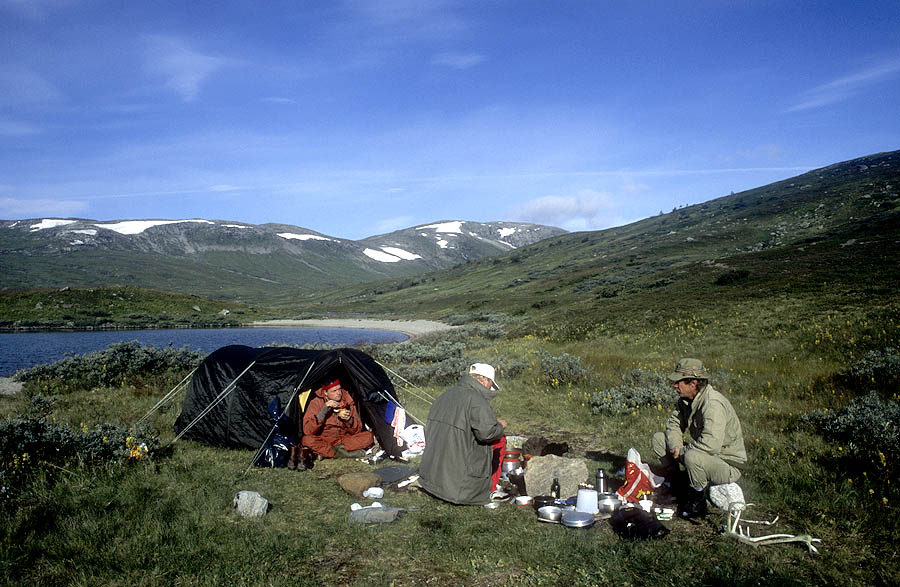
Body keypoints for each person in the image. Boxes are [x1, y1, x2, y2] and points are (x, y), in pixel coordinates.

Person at [651, 358, 747, 518]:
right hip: (705, 457)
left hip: (726, 464)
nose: (675, 386)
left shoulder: (713, 404)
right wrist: (676, 445)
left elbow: (711, 445)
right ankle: (676, 485)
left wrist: (683, 451)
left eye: (679, 382)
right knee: (660, 439)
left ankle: (697, 500)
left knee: (692, 456)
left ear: (693, 383)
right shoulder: (685, 401)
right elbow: (674, 424)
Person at [419, 363, 508, 505]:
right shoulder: (477, 400)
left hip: (432, 479)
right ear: (485, 380)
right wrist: (500, 426)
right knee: (500, 440)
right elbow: (487, 434)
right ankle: (488, 486)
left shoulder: (446, 394)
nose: (490, 389)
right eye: (491, 384)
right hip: (459, 488)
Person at [301, 378, 374, 459]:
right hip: (325, 439)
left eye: (339, 389)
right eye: (334, 391)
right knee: (306, 440)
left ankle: (329, 452)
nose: (338, 393)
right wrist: (323, 412)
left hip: (344, 440)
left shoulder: (347, 400)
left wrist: (348, 419)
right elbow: (308, 431)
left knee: (368, 437)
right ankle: (344, 453)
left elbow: (358, 430)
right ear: (325, 393)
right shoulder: (316, 403)